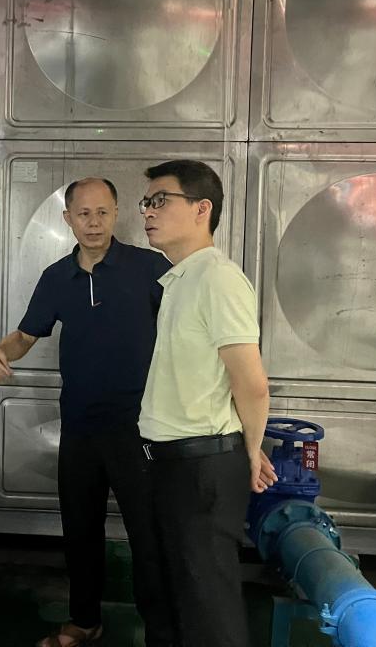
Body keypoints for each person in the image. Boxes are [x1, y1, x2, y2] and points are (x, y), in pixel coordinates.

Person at [0, 177, 175, 647]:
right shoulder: (56, 277)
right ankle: (85, 620)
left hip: (140, 428)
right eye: (84, 214)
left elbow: (186, 327)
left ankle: (162, 632)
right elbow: (26, 335)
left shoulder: (150, 268)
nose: (94, 223)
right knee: (80, 530)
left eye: (102, 212)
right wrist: (1, 351)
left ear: (117, 214)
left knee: (149, 535)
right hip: (80, 426)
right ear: (67, 218)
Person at [138, 159, 275, 647]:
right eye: (146, 203)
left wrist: (251, 451)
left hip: (202, 470)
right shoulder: (180, 280)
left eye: (161, 201)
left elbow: (251, 383)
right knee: (170, 598)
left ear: (202, 209)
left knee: (206, 606)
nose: (148, 212)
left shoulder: (218, 279)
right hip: (170, 464)